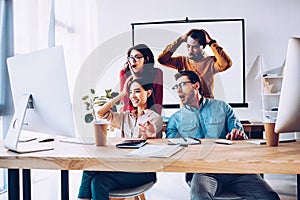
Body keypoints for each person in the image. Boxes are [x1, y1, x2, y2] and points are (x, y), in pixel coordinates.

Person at [166, 70, 280, 200]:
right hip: (203, 172)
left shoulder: (222, 107)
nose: (178, 90)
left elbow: (241, 136)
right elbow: (171, 146)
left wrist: (238, 135)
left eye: (182, 85)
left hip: (236, 169)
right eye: (176, 87)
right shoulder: (175, 119)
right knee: (198, 194)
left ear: (196, 86)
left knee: (270, 197)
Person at [77, 77, 163, 200]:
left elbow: (158, 147)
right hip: (123, 166)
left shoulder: (155, 119)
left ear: (148, 93)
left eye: (137, 91)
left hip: (143, 171)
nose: (133, 95)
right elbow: (100, 114)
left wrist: (153, 136)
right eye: (131, 92)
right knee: (94, 174)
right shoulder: (125, 116)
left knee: (96, 179)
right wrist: (122, 93)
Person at [158, 29, 232, 99]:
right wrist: (180, 40)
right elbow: (162, 59)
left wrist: (211, 42)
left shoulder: (210, 62)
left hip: (207, 106)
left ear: (203, 47)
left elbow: (226, 64)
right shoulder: (181, 61)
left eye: (195, 47)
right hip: (187, 106)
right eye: (188, 46)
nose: (190, 50)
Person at [120, 43, 163, 114]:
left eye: (137, 57)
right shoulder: (124, 73)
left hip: (150, 115)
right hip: (130, 116)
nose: (133, 61)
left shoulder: (157, 73)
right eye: (131, 57)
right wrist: (133, 77)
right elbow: (125, 101)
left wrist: (155, 118)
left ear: (147, 59)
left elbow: (157, 102)